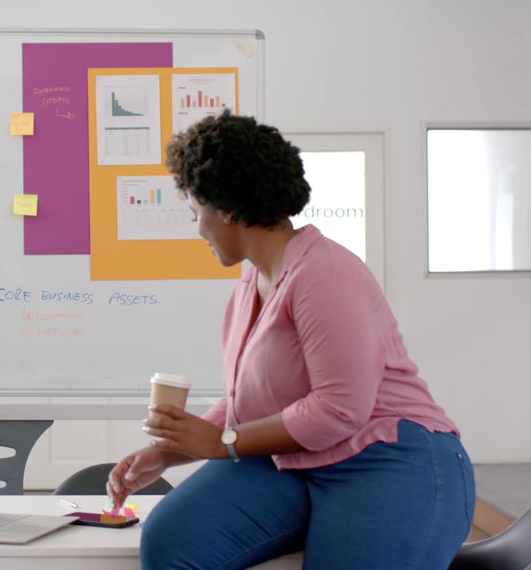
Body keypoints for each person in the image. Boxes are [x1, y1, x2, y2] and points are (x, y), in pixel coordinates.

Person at [107, 112, 475, 569]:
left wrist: (220, 442)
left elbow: (341, 409)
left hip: (389, 458)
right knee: (173, 541)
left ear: (226, 208)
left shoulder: (325, 273)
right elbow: (247, 406)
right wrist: (168, 452)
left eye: (195, 211)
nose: (197, 228)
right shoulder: (250, 287)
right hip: (299, 460)